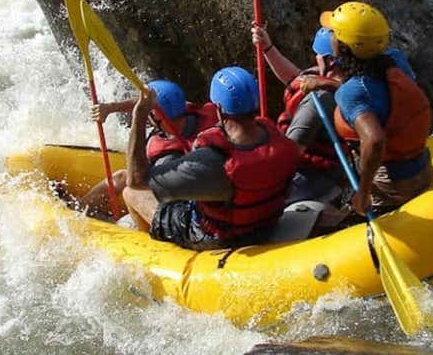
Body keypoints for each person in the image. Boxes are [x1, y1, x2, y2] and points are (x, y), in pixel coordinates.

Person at [121, 66, 300, 250]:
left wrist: (139, 117)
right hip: (265, 225)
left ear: (219, 109)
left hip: (218, 237)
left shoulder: (211, 161)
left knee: (131, 193)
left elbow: (136, 180)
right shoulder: (281, 142)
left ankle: (153, 251)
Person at [320, 1, 433, 217]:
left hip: (392, 185)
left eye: (333, 33)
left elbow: (375, 140)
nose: (330, 36)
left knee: (345, 220)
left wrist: (363, 193)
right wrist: (325, 83)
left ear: (342, 46)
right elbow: (381, 97)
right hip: (424, 169)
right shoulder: (395, 61)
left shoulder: (351, 93)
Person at [71, 80, 217, 220]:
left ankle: (76, 211)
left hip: (179, 205)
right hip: (203, 184)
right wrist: (111, 107)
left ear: (157, 116)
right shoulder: (191, 112)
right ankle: (79, 208)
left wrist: (138, 119)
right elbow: (154, 103)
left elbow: (136, 180)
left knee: (123, 180)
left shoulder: (167, 157)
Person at [251, 22, 347, 204]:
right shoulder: (343, 80)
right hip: (327, 169)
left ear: (330, 61)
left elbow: (290, 154)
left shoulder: (320, 99)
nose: (315, 57)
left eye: (318, 54)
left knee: (262, 198)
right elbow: (295, 79)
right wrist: (268, 48)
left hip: (315, 176)